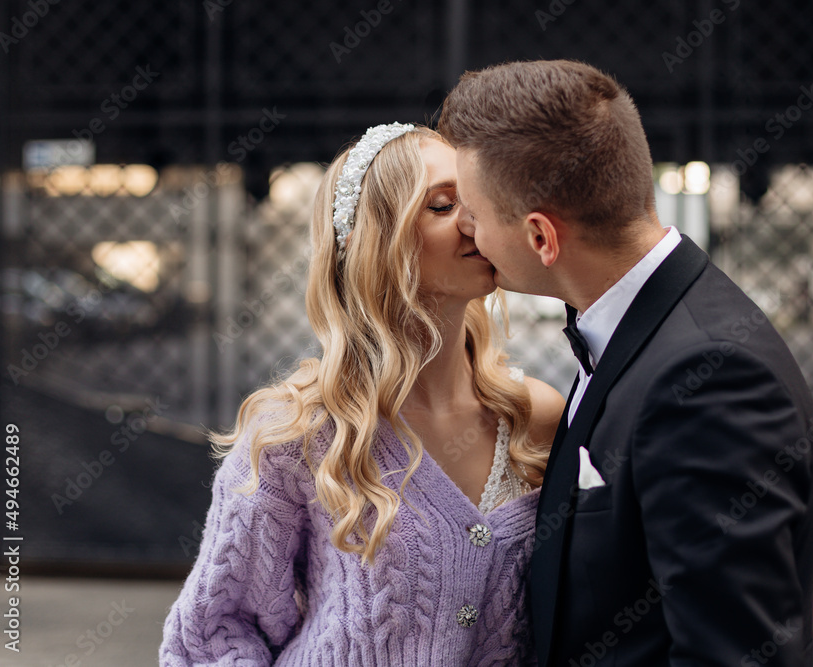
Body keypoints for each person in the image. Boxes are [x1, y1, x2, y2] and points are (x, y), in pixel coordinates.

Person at [439, 60, 813, 666]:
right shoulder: (632, 324)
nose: (468, 231)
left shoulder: (709, 380)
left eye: (475, 214)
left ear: (542, 237)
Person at [159, 122, 565, 666]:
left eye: (478, 203)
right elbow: (211, 637)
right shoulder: (294, 434)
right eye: (443, 206)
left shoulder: (534, 415)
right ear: (377, 239)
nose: (474, 223)